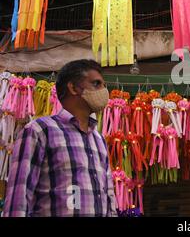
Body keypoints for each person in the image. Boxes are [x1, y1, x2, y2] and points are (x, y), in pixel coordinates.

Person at [2, 59, 116, 217]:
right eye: (96, 84)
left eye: (104, 85)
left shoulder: (98, 139)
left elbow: (108, 196)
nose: (104, 91)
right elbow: (18, 200)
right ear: (73, 88)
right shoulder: (40, 131)